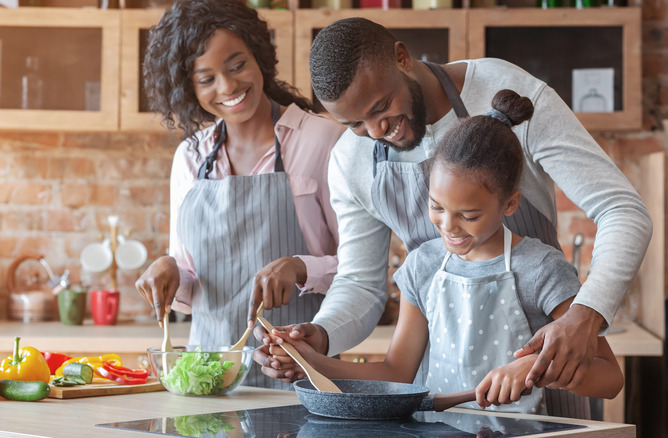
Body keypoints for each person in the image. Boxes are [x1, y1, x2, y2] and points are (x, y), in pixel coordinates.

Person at [255, 17, 651, 394]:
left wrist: (586, 314)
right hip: (443, 388)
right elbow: (360, 283)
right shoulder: (350, 159)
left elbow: (622, 210)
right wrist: (320, 336)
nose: (377, 132)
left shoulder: (506, 91)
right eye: (354, 124)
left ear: (402, 57)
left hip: (546, 371)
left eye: (380, 107)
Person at [265, 89, 623, 418]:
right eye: (436, 208)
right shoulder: (423, 266)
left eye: (469, 216)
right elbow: (396, 373)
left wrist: (535, 369)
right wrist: (311, 362)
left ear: (510, 202)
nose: (448, 227)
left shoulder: (541, 269)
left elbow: (609, 378)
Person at [134, 0, 344, 388]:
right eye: (206, 78)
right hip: (208, 380)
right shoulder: (191, 157)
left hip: (299, 372)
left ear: (259, 56)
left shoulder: (323, 141)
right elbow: (191, 271)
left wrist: (301, 267)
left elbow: (360, 272)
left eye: (236, 65)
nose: (228, 87)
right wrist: (169, 269)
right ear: (188, 87)